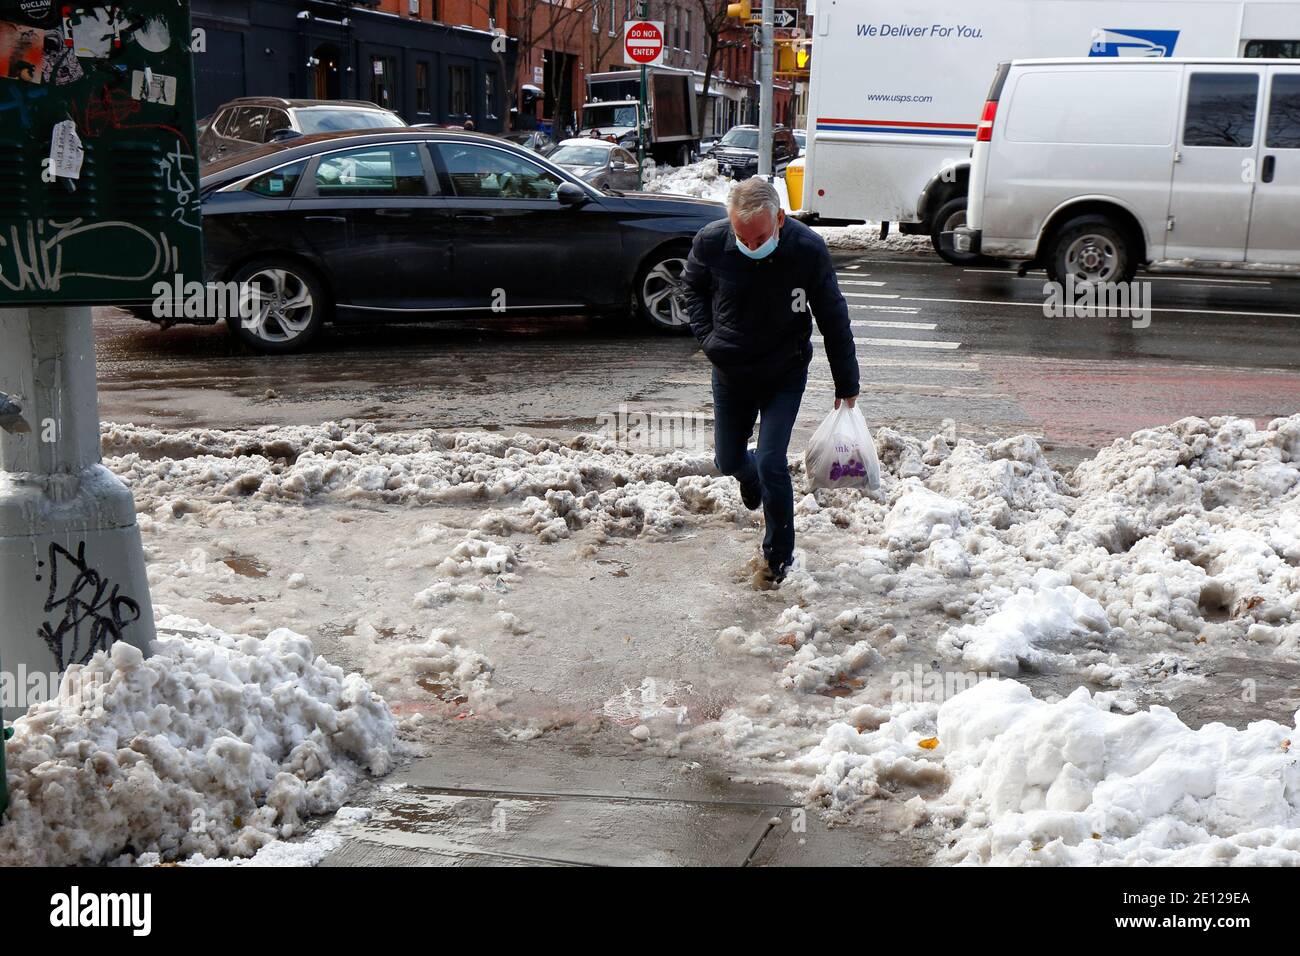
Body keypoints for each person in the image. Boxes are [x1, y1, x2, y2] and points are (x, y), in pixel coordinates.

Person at [683, 177, 859, 586]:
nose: (750, 244)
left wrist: (846, 382)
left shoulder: (806, 250)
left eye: (760, 236)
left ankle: (778, 557)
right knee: (728, 460)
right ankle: (749, 480)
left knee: (771, 461)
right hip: (731, 372)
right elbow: (691, 286)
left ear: (780, 218)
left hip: (784, 371)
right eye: (741, 236)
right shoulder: (712, 242)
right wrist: (710, 340)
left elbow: (833, 316)